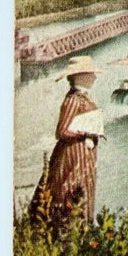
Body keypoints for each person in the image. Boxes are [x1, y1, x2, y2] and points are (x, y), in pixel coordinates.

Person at [35, 55, 104, 226]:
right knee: (72, 189)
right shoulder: (73, 100)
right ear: (81, 76)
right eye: (91, 74)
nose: (94, 77)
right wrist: (84, 133)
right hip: (74, 156)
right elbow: (62, 131)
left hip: (83, 155)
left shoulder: (82, 97)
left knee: (84, 188)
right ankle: (72, 227)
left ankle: (83, 227)